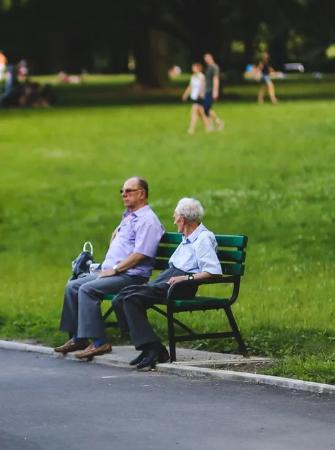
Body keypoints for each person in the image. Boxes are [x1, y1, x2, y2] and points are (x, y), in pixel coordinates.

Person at [55, 177, 164, 360]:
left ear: (142, 194)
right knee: (72, 285)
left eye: (129, 191)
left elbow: (141, 254)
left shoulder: (148, 220)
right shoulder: (129, 218)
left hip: (130, 276)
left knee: (87, 289)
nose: (124, 195)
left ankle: (99, 342)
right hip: (114, 272)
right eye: (122, 191)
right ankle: (79, 337)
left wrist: (115, 269)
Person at [115, 197, 222, 369]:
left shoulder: (203, 238)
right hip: (170, 278)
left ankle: (152, 349)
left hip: (181, 285)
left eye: (175, 217)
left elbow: (213, 271)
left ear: (183, 219)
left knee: (131, 298)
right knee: (121, 297)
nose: (174, 221)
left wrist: (185, 278)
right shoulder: (187, 238)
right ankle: (150, 347)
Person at [181, 62, 207, 134]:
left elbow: (203, 86)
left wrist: (200, 93)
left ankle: (192, 128)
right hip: (194, 96)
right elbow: (190, 86)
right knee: (201, 113)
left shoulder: (201, 76)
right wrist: (185, 94)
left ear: (198, 68)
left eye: (194, 67)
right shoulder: (193, 76)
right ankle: (208, 126)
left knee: (193, 112)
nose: (193, 69)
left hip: (199, 97)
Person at [202, 53, 224, 132]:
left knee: (206, 108)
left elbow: (216, 79)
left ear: (211, 58)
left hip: (211, 90)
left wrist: (215, 91)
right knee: (207, 108)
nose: (206, 60)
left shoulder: (214, 67)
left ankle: (218, 122)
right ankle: (211, 126)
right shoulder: (208, 68)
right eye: (205, 59)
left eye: (208, 58)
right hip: (206, 90)